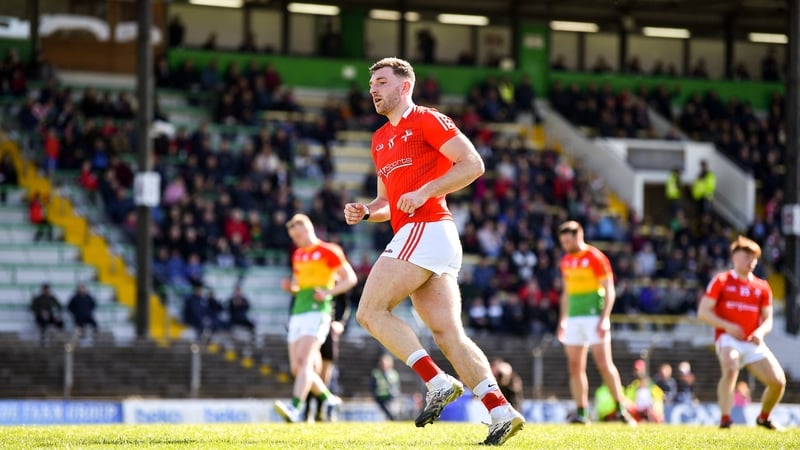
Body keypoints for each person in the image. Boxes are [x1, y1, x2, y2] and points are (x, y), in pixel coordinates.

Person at [343, 57, 524, 446]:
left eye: (381, 81)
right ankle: (501, 410)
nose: (373, 89)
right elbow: (388, 202)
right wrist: (367, 211)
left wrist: (426, 191)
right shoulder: (378, 140)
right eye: (371, 83)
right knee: (448, 335)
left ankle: (438, 381)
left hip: (427, 228)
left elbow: (473, 163)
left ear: (404, 86)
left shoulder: (427, 119)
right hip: (425, 236)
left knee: (369, 311)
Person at [273, 213, 358, 423]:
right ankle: (328, 398)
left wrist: (328, 293)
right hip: (298, 312)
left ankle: (295, 408)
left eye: (298, 236)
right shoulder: (298, 255)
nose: (296, 241)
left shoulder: (329, 251)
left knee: (304, 361)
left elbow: (350, 279)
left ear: (308, 229)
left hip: (318, 311)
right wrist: (290, 288)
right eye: (294, 237)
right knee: (297, 367)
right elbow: (297, 285)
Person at [697, 235, 786, 431]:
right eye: (747, 256)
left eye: (754, 258)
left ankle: (764, 418)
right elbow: (703, 312)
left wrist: (761, 332)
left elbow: (768, 319)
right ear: (735, 257)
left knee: (778, 382)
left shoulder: (762, 286)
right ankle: (725, 419)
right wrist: (727, 326)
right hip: (728, 338)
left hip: (752, 341)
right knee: (730, 367)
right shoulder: (721, 281)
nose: (751, 261)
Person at [556, 220, 636, 426]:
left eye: (567, 241)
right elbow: (566, 293)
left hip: (594, 317)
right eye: (562, 242)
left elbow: (609, 290)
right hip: (573, 318)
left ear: (578, 236)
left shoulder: (596, 258)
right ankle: (582, 412)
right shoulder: (566, 261)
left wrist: (604, 318)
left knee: (603, 364)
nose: (565, 245)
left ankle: (620, 408)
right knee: (575, 366)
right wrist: (562, 320)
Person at [370, 353, 402, 421]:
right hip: (381, 397)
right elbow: (372, 386)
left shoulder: (394, 373)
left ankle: (393, 422)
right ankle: (393, 421)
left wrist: (396, 394)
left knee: (393, 413)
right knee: (389, 413)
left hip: (392, 397)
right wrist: (374, 394)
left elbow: (397, 385)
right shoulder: (376, 373)